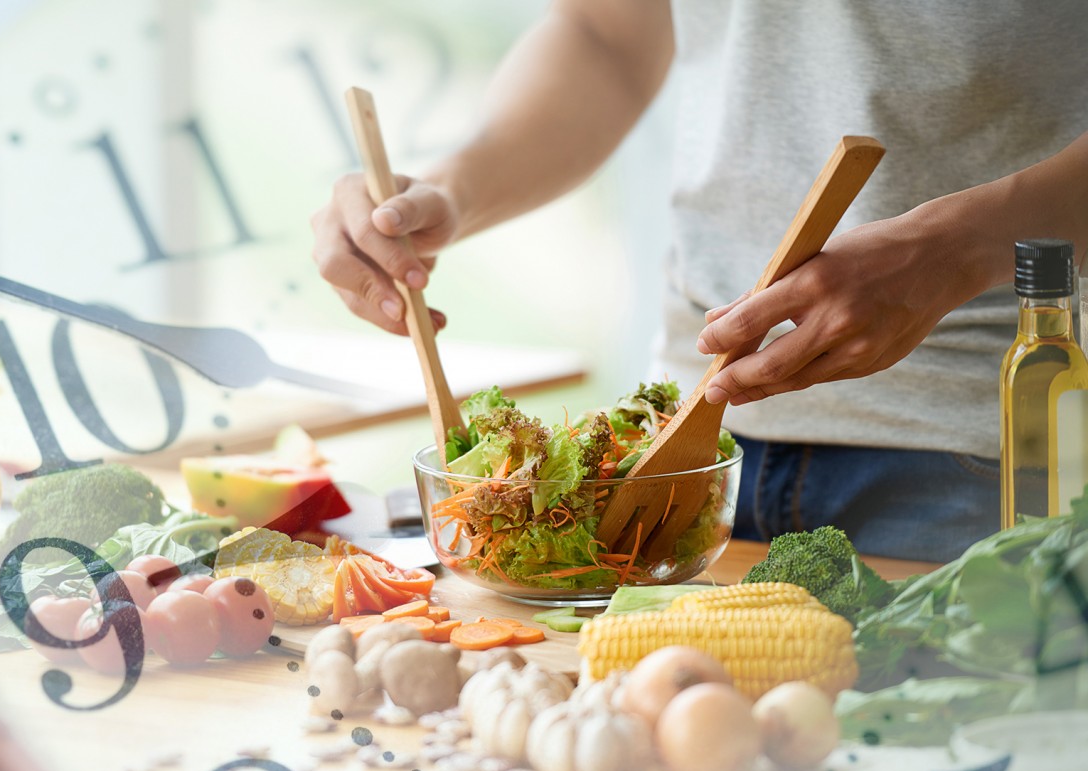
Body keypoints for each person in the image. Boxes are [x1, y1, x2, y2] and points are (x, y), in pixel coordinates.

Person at [310, 0, 1088, 563]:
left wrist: (965, 245)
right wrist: (452, 189)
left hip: (995, 445)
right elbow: (607, 35)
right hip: (689, 447)